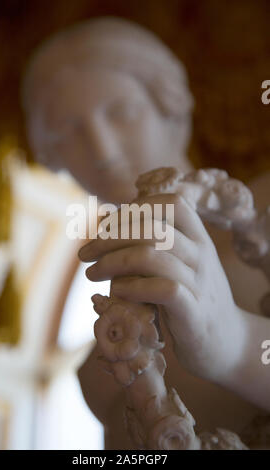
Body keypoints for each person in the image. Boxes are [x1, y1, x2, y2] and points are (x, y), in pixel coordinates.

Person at [22, 17, 270, 449]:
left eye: (121, 112)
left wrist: (236, 343)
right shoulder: (103, 371)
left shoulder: (264, 209)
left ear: (169, 105)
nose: (102, 150)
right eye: (69, 133)